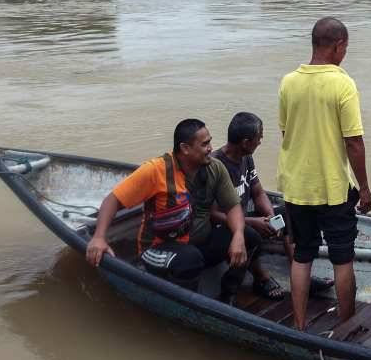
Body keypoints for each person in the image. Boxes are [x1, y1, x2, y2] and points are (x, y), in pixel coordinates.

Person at [85, 119, 261, 304]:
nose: (211, 148)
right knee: (190, 259)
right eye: (205, 144)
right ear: (185, 148)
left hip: (198, 246)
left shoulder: (215, 168)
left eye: (210, 142)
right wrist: (99, 237)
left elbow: (232, 206)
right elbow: (112, 201)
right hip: (158, 249)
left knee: (251, 237)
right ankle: (186, 308)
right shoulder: (155, 171)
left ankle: (227, 296)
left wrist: (239, 235)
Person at [278, 17, 371, 331]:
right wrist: (365, 187)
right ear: (337, 46)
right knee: (342, 258)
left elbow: (286, 133)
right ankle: (346, 326)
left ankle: (299, 325)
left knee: (302, 255)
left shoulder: (288, 82)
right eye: (345, 47)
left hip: (296, 186)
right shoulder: (342, 83)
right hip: (333, 187)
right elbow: (354, 143)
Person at [212, 111, 336, 300]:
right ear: (246, 142)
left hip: (247, 219)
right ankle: (261, 278)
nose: (260, 142)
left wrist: (271, 218)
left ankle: (301, 277)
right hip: (225, 227)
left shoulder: (246, 158)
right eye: (258, 138)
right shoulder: (216, 166)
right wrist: (253, 222)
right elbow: (212, 214)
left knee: (288, 216)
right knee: (251, 234)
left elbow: (258, 192)